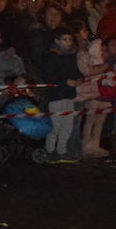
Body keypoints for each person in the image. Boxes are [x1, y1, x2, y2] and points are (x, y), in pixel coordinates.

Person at [41, 28, 81, 163]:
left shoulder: (71, 56)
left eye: (70, 39)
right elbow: (49, 76)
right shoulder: (51, 56)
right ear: (57, 41)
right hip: (56, 96)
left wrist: (79, 79)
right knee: (55, 126)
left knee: (68, 126)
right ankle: (50, 151)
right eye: (65, 39)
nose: (68, 42)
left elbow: (76, 72)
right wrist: (65, 82)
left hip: (69, 95)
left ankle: (62, 151)